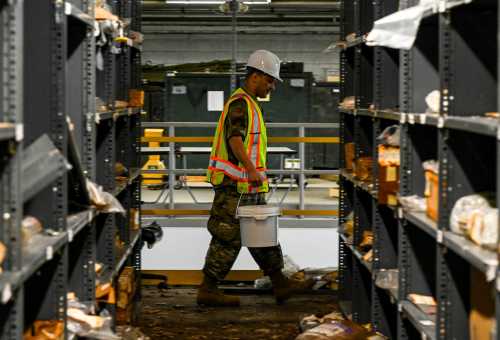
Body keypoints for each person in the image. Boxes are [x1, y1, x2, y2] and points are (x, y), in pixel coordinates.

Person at [197, 50, 313, 307]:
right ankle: (208, 289)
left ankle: (280, 284)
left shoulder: (251, 104)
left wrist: (253, 175)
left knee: (262, 234)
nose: (272, 86)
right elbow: (234, 139)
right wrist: (249, 168)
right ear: (256, 76)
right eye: (270, 81)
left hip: (248, 186)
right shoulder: (240, 104)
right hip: (235, 186)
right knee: (228, 237)